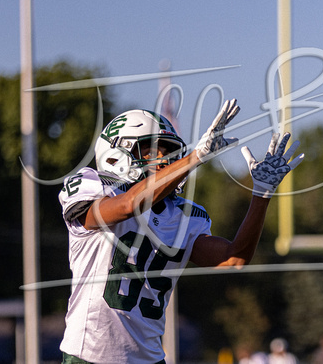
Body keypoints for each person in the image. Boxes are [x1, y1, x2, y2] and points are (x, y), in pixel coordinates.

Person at [58, 99, 304, 364]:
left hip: (150, 358)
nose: (165, 158)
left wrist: (261, 195)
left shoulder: (182, 213)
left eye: (168, 151)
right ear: (116, 154)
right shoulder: (92, 186)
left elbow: (235, 258)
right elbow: (129, 205)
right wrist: (195, 157)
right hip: (90, 356)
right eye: (153, 150)